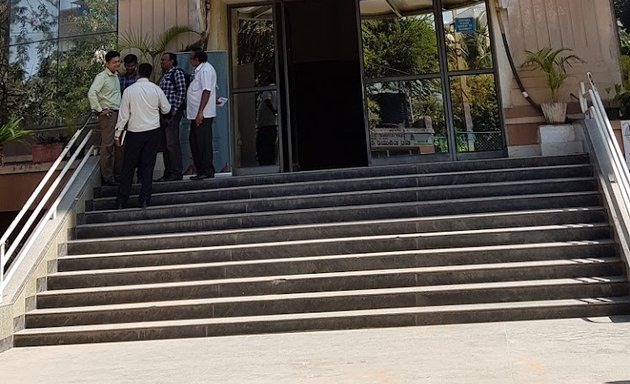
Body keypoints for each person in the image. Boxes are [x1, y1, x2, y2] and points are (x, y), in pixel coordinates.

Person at [114, 63, 171, 209]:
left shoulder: (129, 91)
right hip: (153, 131)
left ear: (138, 73)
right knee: (148, 165)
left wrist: (118, 134)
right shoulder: (156, 89)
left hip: (134, 132)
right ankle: (145, 199)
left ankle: (122, 199)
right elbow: (166, 109)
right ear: (151, 74)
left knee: (128, 166)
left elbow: (123, 115)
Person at [87, 50, 122, 187]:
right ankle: (107, 177)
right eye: (114, 62)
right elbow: (92, 92)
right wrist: (100, 110)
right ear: (107, 63)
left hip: (118, 112)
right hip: (109, 114)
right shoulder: (102, 76)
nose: (117, 64)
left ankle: (116, 175)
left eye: (118, 61)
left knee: (118, 145)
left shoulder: (115, 76)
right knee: (107, 146)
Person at [187, 48, 217, 180]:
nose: (190, 60)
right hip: (196, 114)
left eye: (191, 57)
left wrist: (200, 112)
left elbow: (206, 90)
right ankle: (200, 170)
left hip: (202, 115)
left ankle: (206, 170)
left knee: (203, 142)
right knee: (195, 142)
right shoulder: (200, 70)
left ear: (197, 59)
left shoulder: (205, 70)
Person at [156, 52, 186, 181]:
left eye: (164, 60)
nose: (162, 62)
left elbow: (181, 91)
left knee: (172, 143)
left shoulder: (177, 73)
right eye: (161, 60)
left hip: (172, 113)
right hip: (163, 115)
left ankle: (176, 172)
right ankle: (168, 172)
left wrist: (174, 109)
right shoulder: (164, 76)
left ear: (172, 61)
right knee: (165, 144)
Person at [256, 88, 278, 165]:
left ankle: (266, 162)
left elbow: (267, 100)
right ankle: (270, 162)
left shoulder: (269, 88)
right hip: (270, 123)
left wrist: (274, 112)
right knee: (270, 145)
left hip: (266, 124)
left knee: (263, 146)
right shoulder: (275, 89)